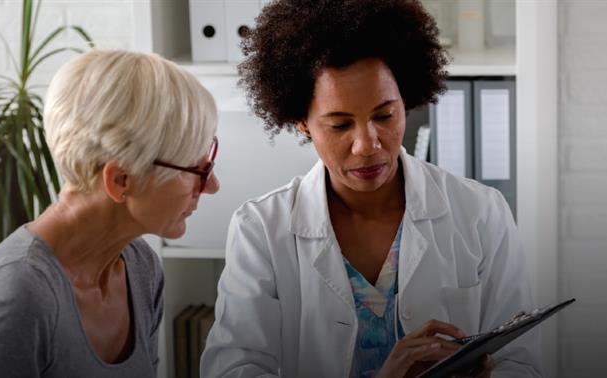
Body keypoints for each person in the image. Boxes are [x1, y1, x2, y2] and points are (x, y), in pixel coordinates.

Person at [201, 0, 540, 377]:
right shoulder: (260, 230)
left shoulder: (481, 213)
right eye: (340, 125)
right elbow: (232, 369)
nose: (368, 144)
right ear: (301, 121)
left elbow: (521, 361)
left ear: (406, 100)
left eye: (384, 115)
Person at [0, 49, 221, 377]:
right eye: (195, 169)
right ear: (120, 180)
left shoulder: (141, 268)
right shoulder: (17, 300)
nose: (212, 185)